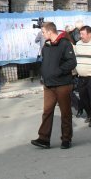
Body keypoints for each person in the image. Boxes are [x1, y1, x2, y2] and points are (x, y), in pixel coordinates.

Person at [31, 22, 77, 150]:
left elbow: (72, 62)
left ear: (50, 31)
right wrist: (44, 75)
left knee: (65, 112)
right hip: (49, 84)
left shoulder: (65, 43)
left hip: (63, 84)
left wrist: (58, 71)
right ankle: (44, 139)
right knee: (47, 111)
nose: (42, 34)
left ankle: (66, 139)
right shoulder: (46, 46)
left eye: (43, 32)